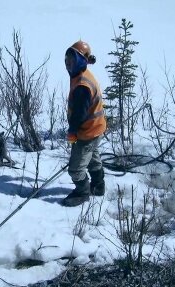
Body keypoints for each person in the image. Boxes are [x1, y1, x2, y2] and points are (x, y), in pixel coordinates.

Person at [61, 40, 107, 207]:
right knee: (93, 157)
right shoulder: (82, 75)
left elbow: (79, 114)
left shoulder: (82, 85)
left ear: (82, 61)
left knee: (76, 169)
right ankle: (98, 186)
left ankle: (82, 192)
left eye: (72, 61)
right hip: (96, 129)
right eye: (67, 60)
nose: (68, 64)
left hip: (87, 132)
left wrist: (73, 132)